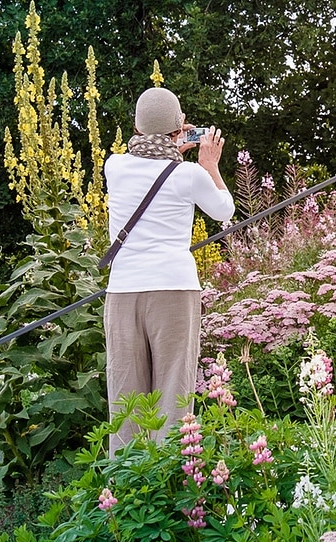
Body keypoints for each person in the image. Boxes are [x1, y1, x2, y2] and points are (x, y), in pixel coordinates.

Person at [103, 87, 234, 456]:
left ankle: (125, 488)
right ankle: (173, 485)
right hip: (174, 290)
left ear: (135, 126)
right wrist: (210, 164)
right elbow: (224, 210)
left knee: (126, 397)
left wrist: (170, 144)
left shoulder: (114, 167)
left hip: (123, 291)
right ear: (180, 128)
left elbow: (148, 162)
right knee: (174, 392)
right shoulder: (188, 175)